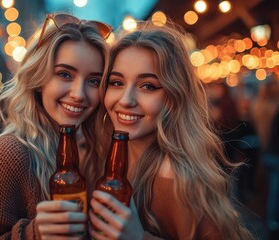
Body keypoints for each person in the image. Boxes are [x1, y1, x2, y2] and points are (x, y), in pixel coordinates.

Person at [0, 13, 112, 239]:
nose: (78, 94)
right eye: (64, 74)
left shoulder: (92, 149)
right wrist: (32, 234)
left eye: (94, 80)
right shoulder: (7, 154)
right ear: (38, 79)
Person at [89, 21, 254, 240]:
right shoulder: (107, 156)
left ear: (173, 98)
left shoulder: (177, 177)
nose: (126, 100)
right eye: (117, 82)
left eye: (148, 86)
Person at [252, 78, 279, 240]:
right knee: (275, 192)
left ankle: (270, 220)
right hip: (275, 155)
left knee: (271, 189)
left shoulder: (258, 107)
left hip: (266, 153)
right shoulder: (276, 109)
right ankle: (273, 223)